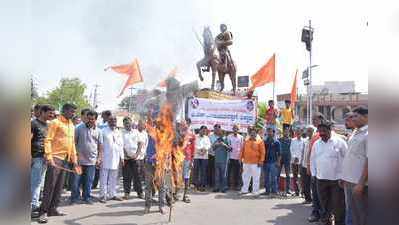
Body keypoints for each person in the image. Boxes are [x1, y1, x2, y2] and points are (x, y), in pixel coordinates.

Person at [37, 103, 78, 224]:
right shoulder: (55, 122)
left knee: (59, 186)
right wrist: (49, 156)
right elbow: (48, 140)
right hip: (55, 158)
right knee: (50, 186)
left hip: (66, 159)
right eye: (71, 111)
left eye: (74, 112)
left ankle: (53, 209)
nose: (73, 114)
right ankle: (43, 212)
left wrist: (74, 160)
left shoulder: (71, 124)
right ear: (64, 111)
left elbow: (72, 144)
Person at [310, 121, 348, 225]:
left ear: (329, 130)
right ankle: (326, 221)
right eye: (320, 131)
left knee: (338, 204)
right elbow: (312, 159)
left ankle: (340, 222)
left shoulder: (340, 142)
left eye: (324, 130)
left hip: (337, 180)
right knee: (324, 203)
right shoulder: (316, 144)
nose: (321, 133)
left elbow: (347, 159)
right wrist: (313, 174)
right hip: (321, 179)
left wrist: (344, 176)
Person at [340, 106, 368, 225]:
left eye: (356, 116)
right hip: (349, 181)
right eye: (352, 116)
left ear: (366, 117)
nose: (353, 119)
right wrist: (343, 176)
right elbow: (350, 157)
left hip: (359, 183)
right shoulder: (355, 133)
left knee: (361, 215)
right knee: (350, 212)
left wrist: (361, 183)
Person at [71, 110, 103, 205]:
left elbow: (100, 146)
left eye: (92, 119)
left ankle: (87, 197)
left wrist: (99, 158)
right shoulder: (78, 128)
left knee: (89, 181)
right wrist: (74, 157)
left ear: (95, 120)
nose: (89, 120)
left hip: (92, 161)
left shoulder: (99, 131)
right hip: (79, 160)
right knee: (76, 180)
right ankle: (74, 198)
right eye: (88, 118)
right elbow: (73, 143)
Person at [31, 104, 55, 216]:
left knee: (40, 182)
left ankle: (35, 203)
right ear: (42, 112)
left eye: (53, 113)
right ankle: (33, 206)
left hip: (45, 157)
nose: (52, 115)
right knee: (35, 183)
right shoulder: (33, 123)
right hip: (36, 156)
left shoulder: (48, 125)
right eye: (50, 113)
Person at [99, 116, 124, 203]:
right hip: (105, 157)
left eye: (115, 120)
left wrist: (122, 157)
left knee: (114, 178)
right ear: (108, 121)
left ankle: (112, 194)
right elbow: (100, 146)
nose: (113, 121)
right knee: (103, 178)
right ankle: (103, 195)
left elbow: (121, 145)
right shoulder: (103, 131)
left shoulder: (119, 132)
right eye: (111, 120)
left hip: (116, 158)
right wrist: (100, 158)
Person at [307, 112, 326, 223]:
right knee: (316, 192)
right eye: (313, 120)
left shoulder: (330, 134)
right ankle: (316, 212)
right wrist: (309, 166)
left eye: (315, 119)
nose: (313, 122)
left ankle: (325, 214)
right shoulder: (314, 136)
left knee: (324, 194)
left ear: (321, 120)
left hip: (326, 171)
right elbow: (311, 154)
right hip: (316, 169)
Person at [144, 126, 167, 214]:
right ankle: (147, 206)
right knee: (148, 186)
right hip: (150, 163)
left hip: (160, 164)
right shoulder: (151, 134)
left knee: (162, 186)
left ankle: (161, 206)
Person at [121, 117, 145, 200]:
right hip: (125, 158)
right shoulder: (121, 133)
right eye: (126, 123)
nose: (127, 124)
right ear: (123, 124)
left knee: (137, 176)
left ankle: (140, 193)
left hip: (135, 158)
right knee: (127, 177)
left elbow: (140, 143)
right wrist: (126, 154)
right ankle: (126, 193)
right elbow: (121, 146)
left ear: (131, 123)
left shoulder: (136, 132)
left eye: (129, 123)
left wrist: (137, 154)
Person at [240, 127, 265, 196]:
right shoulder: (246, 141)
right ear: (250, 134)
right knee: (245, 177)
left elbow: (263, 152)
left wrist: (261, 161)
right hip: (246, 162)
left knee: (256, 178)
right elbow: (242, 150)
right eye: (251, 133)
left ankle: (255, 191)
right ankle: (244, 190)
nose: (253, 134)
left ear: (256, 134)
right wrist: (240, 159)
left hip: (256, 163)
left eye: (254, 133)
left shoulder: (260, 141)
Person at [93, 110, 112, 189]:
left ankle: (103, 185)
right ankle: (95, 184)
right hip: (98, 148)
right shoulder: (100, 125)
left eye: (103, 115)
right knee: (97, 167)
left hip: (105, 151)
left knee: (104, 169)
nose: (101, 117)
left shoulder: (108, 126)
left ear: (107, 116)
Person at [262, 127, 281, 197]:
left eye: (271, 132)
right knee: (266, 177)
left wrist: (278, 162)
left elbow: (279, 153)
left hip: (273, 162)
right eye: (268, 132)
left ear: (273, 133)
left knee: (273, 177)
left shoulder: (277, 142)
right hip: (265, 162)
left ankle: (274, 191)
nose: (269, 133)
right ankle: (267, 191)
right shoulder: (264, 141)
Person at [212, 126, 231, 193]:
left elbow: (230, 149)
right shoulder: (217, 140)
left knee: (224, 175)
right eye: (219, 132)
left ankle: (224, 187)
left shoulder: (227, 139)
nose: (219, 133)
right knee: (217, 175)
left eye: (221, 132)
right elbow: (213, 148)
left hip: (224, 161)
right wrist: (216, 145)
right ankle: (217, 187)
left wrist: (224, 145)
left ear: (224, 133)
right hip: (217, 160)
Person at [300, 125, 315, 204]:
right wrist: (301, 162)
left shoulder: (315, 140)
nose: (308, 132)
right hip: (304, 164)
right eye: (308, 131)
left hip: (312, 165)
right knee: (305, 182)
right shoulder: (305, 140)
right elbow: (302, 152)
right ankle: (307, 198)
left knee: (313, 183)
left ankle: (314, 200)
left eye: (310, 131)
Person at [193, 125, 211, 191]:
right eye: (203, 130)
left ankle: (202, 185)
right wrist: (199, 150)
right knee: (196, 171)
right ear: (200, 130)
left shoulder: (207, 138)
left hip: (204, 157)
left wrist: (205, 150)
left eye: (205, 131)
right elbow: (194, 145)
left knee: (203, 171)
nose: (204, 132)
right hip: (197, 156)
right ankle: (195, 185)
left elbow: (209, 145)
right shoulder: (195, 136)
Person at [181, 122, 195, 203]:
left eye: (186, 125)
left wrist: (192, 161)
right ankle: (174, 194)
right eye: (183, 125)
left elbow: (193, 148)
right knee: (177, 177)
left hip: (187, 159)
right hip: (178, 159)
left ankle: (185, 195)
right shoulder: (177, 135)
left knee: (186, 177)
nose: (184, 127)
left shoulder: (191, 136)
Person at [227, 124, 244, 191]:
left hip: (238, 158)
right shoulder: (229, 137)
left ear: (238, 130)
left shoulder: (241, 137)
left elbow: (242, 148)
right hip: (230, 157)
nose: (235, 130)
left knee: (238, 173)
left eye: (236, 128)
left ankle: (237, 186)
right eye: (234, 128)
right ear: (232, 129)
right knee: (229, 172)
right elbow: (227, 146)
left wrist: (241, 158)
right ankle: (228, 185)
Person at [290, 127, 305, 196]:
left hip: (301, 162)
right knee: (295, 176)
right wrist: (295, 157)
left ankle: (302, 191)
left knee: (302, 177)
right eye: (297, 132)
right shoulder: (293, 140)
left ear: (301, 133)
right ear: (295, 133)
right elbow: (291, 149)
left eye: (299, 132)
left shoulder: (304, 141)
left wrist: (299, 158)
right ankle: (296, 191)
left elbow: (304, 151)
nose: (298, 133)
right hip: (294, 161)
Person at [278, 127, 292, 195]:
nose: (286, 133)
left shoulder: (291, 140)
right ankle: (276, 189)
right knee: (277, 174)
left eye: (287, 131)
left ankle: (288, 189)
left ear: (289, 132)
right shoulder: (279, 140)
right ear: (283, 132)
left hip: (287, 158)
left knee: (288, 175)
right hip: (280, 158)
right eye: (285, 131)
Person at [208, 124, 221, 189]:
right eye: (216, 129)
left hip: (219, 156)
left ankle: (215, 184)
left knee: (217, 170)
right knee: (210, 169)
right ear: (214, 129)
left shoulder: (221, 136)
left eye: (218, 129)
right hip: (211, 155)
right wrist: (215, 145)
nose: (217, 130)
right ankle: (210, 183)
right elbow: (209, 145)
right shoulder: (210, 136)